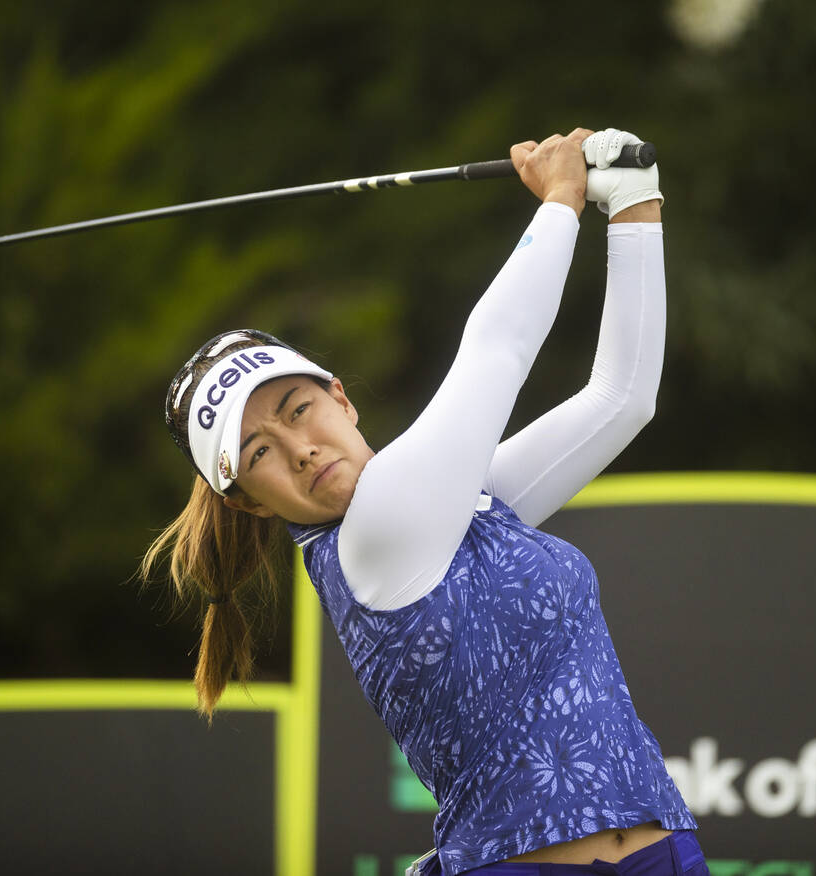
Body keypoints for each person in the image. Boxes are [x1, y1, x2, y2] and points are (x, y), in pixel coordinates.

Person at [142, 127, 708, 876]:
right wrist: (563, 199)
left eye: (296, 408)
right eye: (257, 453)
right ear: (247, 502)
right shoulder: (373, 540)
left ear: (339, 397)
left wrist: (636, 203)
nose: (298, 448)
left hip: (663, 854)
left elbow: (621, 399)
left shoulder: (455, 508)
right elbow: (496, 349)